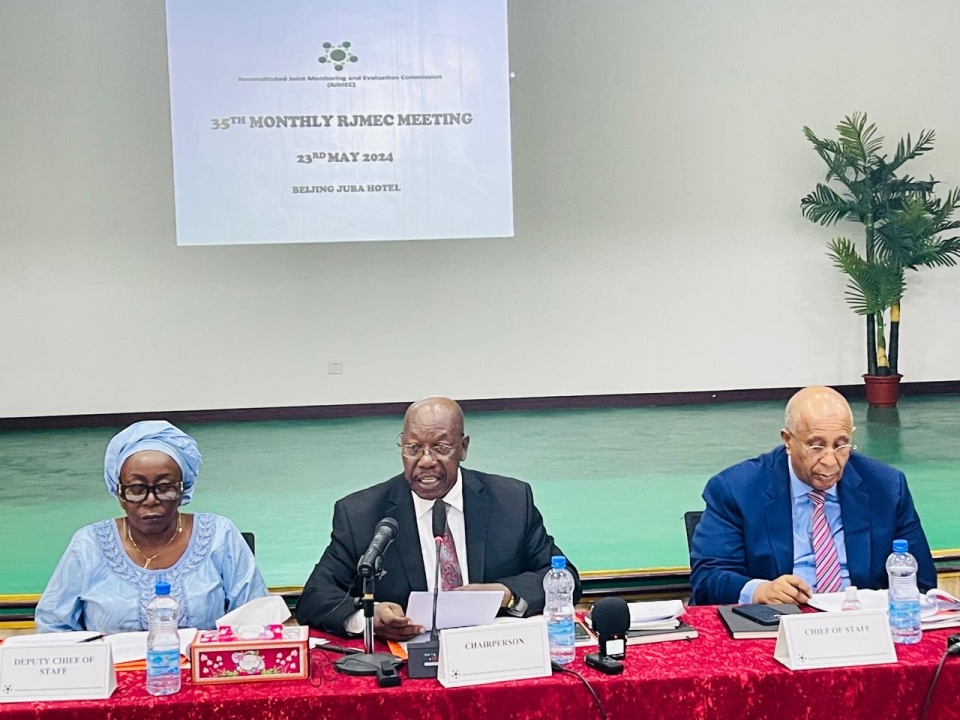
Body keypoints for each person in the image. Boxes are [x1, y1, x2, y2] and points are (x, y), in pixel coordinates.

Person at [296, 396, 581, 639]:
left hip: (492, 651)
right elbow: (314, 598)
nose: (427, 460)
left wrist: (507, 594)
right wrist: (367, 619)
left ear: (463, 448)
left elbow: (564, 577)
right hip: (406, 669)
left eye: (441, 449)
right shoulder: (361, 514)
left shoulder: (512, 501)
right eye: (413, 448)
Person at [690, 386, 936, 606]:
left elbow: (922, 582)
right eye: (816, 446)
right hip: (776, 624)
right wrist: (761, 591)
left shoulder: (886, 487)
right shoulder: (736, 489)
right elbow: (708, 578)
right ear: (788, 440)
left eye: (841, 445)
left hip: (861, 622)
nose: (830, 461)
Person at [35, 421, 268, 632]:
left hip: (203, 674)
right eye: (136, 489)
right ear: (119, 494)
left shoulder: (219, 534)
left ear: (183, 489)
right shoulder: (89, 544)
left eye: (165, 487)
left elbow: (256, 619)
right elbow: (53, 626)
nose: (151, 500)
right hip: (112, 676)